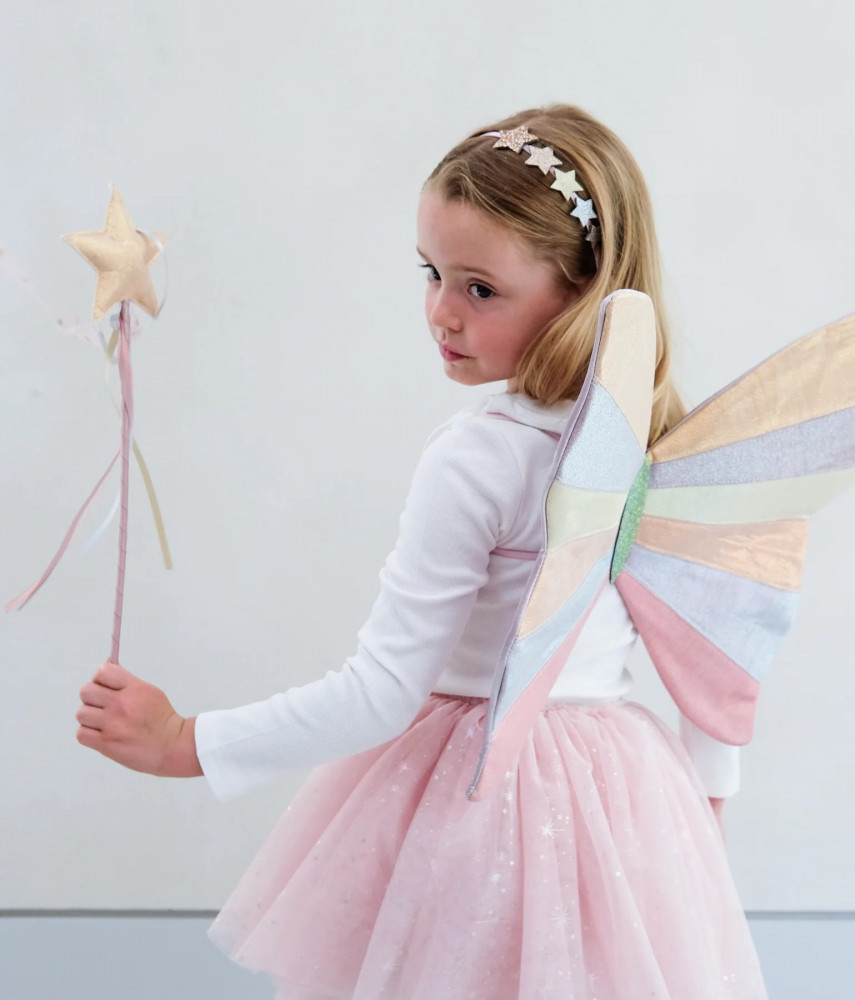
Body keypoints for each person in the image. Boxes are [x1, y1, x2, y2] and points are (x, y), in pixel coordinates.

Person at [75, 104, 768, 999]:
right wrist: (704, 801)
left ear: (581, 290)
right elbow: (715, 652)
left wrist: (187, 742)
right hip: (623, 800)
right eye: (431, 272)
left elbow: (382, 692)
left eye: (480, 289)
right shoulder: (663, 445)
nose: (441, 311)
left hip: (475, 799)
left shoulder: (479, 456)